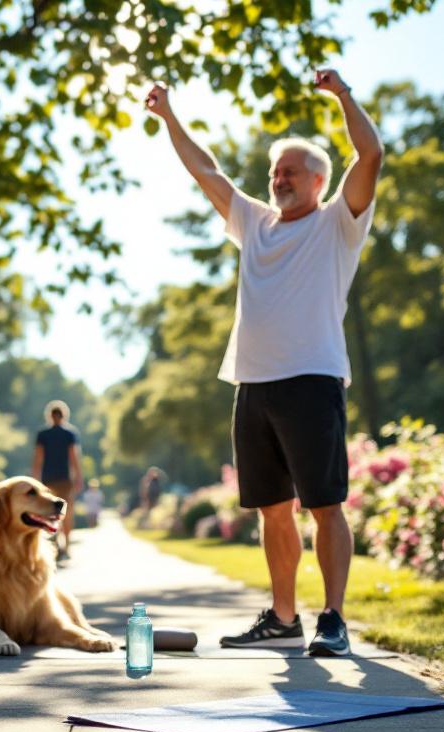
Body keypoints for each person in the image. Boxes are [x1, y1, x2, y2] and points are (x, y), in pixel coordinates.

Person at [144, 70, 382, 657]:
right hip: (252, 384)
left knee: (324, 505)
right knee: (272, 509)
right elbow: (206, 171)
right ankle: (282, 616)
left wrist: (344, 97)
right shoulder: (252, 221)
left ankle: (333, 618)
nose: (279, 180)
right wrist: (169, 117)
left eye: (291, 172)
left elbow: (372, 152)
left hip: (312, 379)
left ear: (320, 181)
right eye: (275, 173)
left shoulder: (338, 223)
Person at [32, 400, 83, 559]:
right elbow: (74, 458)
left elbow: (38, 459)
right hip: (64, 480)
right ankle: (65, 546)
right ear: (64, 415)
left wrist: (35, 480)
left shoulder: (43, 434)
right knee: (66, 513)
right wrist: (79, 478)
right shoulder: (70, 434)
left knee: (50, 514)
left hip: (48, 480)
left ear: (50, 416)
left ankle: (54, 545)